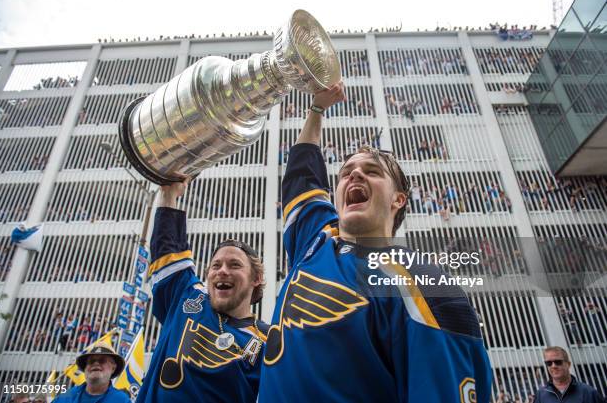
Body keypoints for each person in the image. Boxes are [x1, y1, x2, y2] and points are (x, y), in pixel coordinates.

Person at [258, 82, 492, 402]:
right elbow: (302, 174)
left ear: (398, 199)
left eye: (372, 171)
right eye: (345, 173)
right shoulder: (317, 237)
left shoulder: (423, 283)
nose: (354, 176)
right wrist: (317, 109)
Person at [136, 179, 269, 403]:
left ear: (256, 278)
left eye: (234, 265)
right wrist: (169, 193)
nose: (222, 271)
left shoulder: (268, 340)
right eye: (216, 265)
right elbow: (166, 249)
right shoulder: (189, 296)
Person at [53, 342, 130, 402]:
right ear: (85, 368)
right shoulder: (64, 398)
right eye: (91, 361)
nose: (96, 363)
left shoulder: (122, 401)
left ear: (113, 368)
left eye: (102, 360)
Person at [534, 346, 605, 402]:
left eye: (558, 362)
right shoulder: (541, 394)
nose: (553, 366)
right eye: (549, 363)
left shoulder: (588, 393)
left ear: (568, 364)